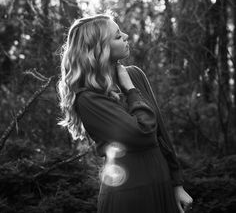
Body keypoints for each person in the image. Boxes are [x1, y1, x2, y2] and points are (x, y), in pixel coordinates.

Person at [58, 14, 193, 213]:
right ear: (100, 48)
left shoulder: (135, 74)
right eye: (118, 36)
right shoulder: (88, 99)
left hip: (161, 181)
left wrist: (177, 183)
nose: (127, 36)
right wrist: (130, 91)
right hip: (128, 194)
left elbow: (160, 133)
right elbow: (142, 132)